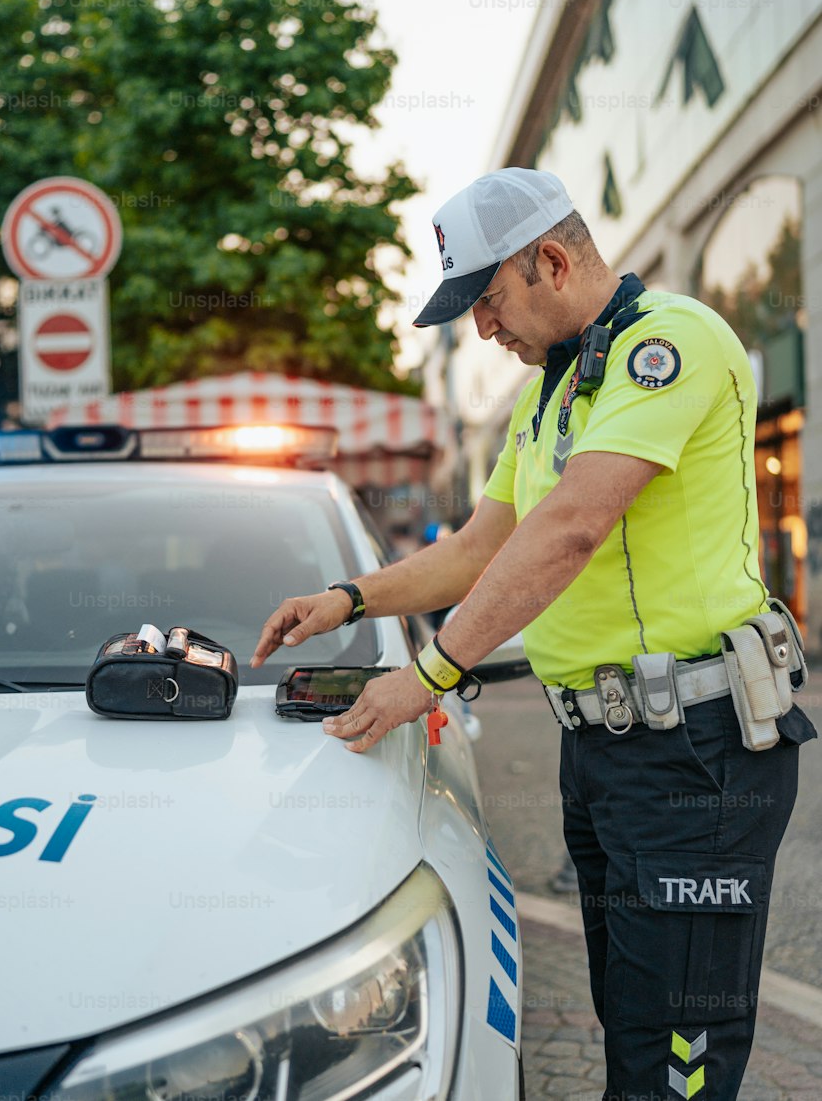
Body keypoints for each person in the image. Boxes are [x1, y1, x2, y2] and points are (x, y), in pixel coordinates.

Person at [252, 167, 816, 1101]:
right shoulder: (549, 395)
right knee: (635, 1021)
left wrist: (427, 675)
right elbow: (481, 546)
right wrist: (349, 597)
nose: (481, 328)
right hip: (607, 752)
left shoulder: (667, 344)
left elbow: (571, 527)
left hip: (696, 754)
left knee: (676, 1057)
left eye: (487, 299)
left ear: (550, 260)